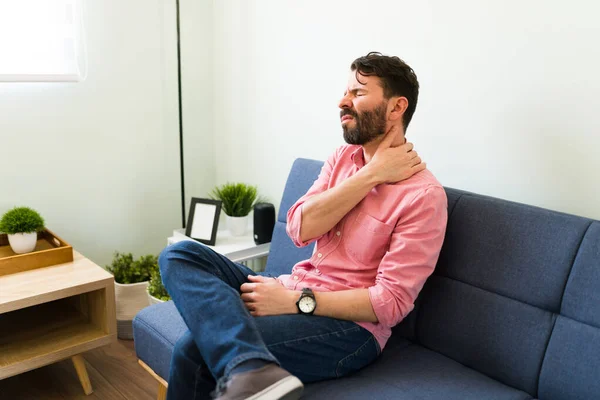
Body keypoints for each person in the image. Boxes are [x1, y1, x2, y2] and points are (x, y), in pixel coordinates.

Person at [159, 52, 448, 400]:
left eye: (357, 92)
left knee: (194, 350)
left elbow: (390, 303)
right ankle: (249, 368)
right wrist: (371, 175)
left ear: (396, 107)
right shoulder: (342, 160)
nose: (343, 101)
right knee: (180, 255)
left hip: (350, 333)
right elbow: (299, 228)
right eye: (346, 91)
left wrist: (296, 301)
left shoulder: (423, 196)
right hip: (291, 285)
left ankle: (247, 369)